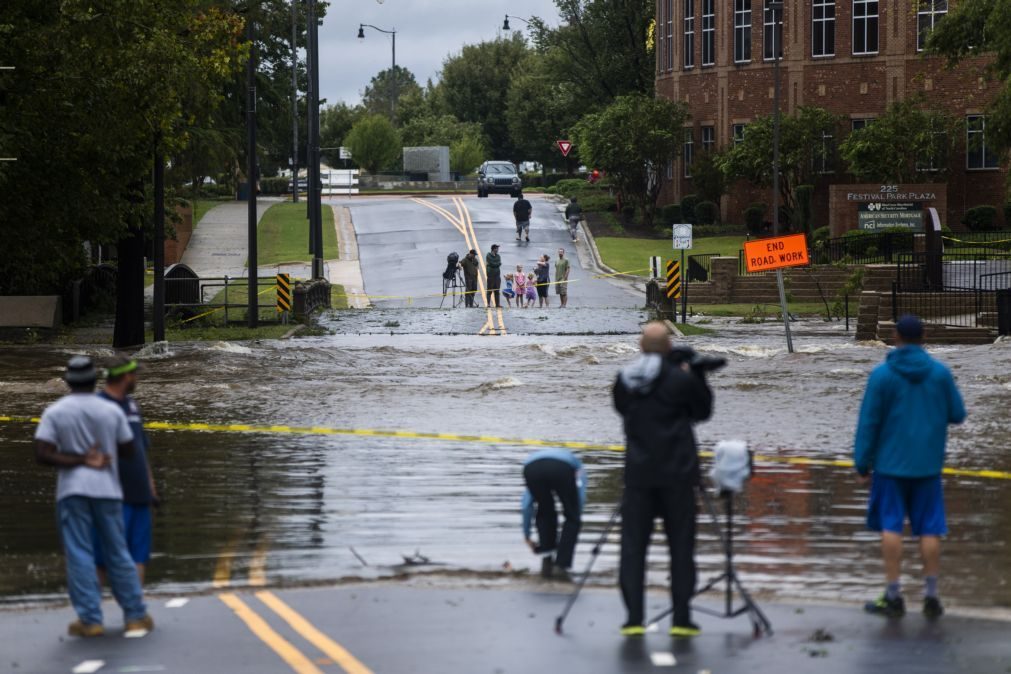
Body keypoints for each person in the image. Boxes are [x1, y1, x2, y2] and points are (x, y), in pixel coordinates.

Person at [854, 315, 966, 619]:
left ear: (896, 336)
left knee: (891, 525)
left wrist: (862, 462)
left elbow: (869, 422)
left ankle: (893, 595)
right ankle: (931, 595)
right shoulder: (940, 374)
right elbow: (957, 413)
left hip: (890, 466)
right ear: (924, 335)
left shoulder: (882, 375)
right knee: (930, 527)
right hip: (928, 464)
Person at [33, 356, 153, 638]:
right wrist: (101, 455)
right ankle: (135, 616)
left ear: (68, 382)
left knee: (79, 554)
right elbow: (127, 449)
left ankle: (90, 619)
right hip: (109, 490)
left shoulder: (55, 412)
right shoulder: (111, 411)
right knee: (118, 552)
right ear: (94, 380)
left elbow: (42, 453)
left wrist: (79, 459)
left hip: (72, 490)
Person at [612, 323, 713, 638]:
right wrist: (697, 373)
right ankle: (681, 619)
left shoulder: (625, 380)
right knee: (681, 547)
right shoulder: (681, 381)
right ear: (669, 348)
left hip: (639, 476)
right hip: (678, 475)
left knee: (632, 548)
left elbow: (621, 410)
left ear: (641, 348)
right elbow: (703, 411)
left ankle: (633, 618)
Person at [93, 356, 158, 586]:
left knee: (138, 555)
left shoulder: (132, 405)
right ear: (126, 376)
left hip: (139, 492)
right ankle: (92, 615)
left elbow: (141, 447)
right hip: (111, 494)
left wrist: (150, 485)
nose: (137, 378)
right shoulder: (99, 407)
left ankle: (135, 613)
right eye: (135, 374)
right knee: (102, 557)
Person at [521, 448, 586, 581]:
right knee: (572, 518)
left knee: (545, 510)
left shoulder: (534, 459)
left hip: (531, 468)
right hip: (562, 468)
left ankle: (547, 559)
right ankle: (561, 566)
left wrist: (526, 534)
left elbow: (527, 505)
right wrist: (575, 514)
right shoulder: (577, 464)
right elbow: (580, 495)